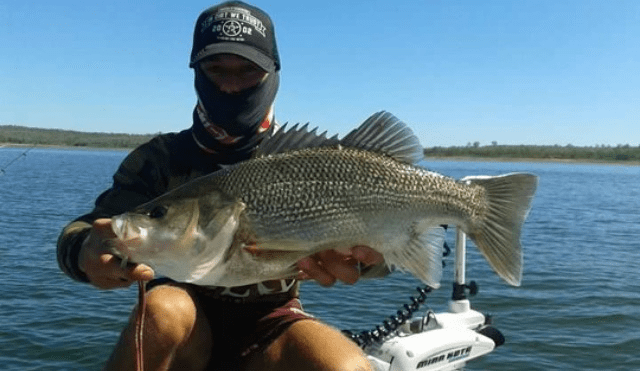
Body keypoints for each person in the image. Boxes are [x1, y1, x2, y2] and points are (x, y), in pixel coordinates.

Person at [57, 2, 384, 370]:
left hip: (273, 319)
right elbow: (87, 228)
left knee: (344, 366)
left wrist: (365, 259)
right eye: (215, 69)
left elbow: (385, 259)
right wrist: (85, 251)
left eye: (248, 70)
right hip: (183, 318)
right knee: (161, 310)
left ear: (273, 73)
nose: (230, 85)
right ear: (196, 72)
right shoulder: (159, 158)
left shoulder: (307, 161)